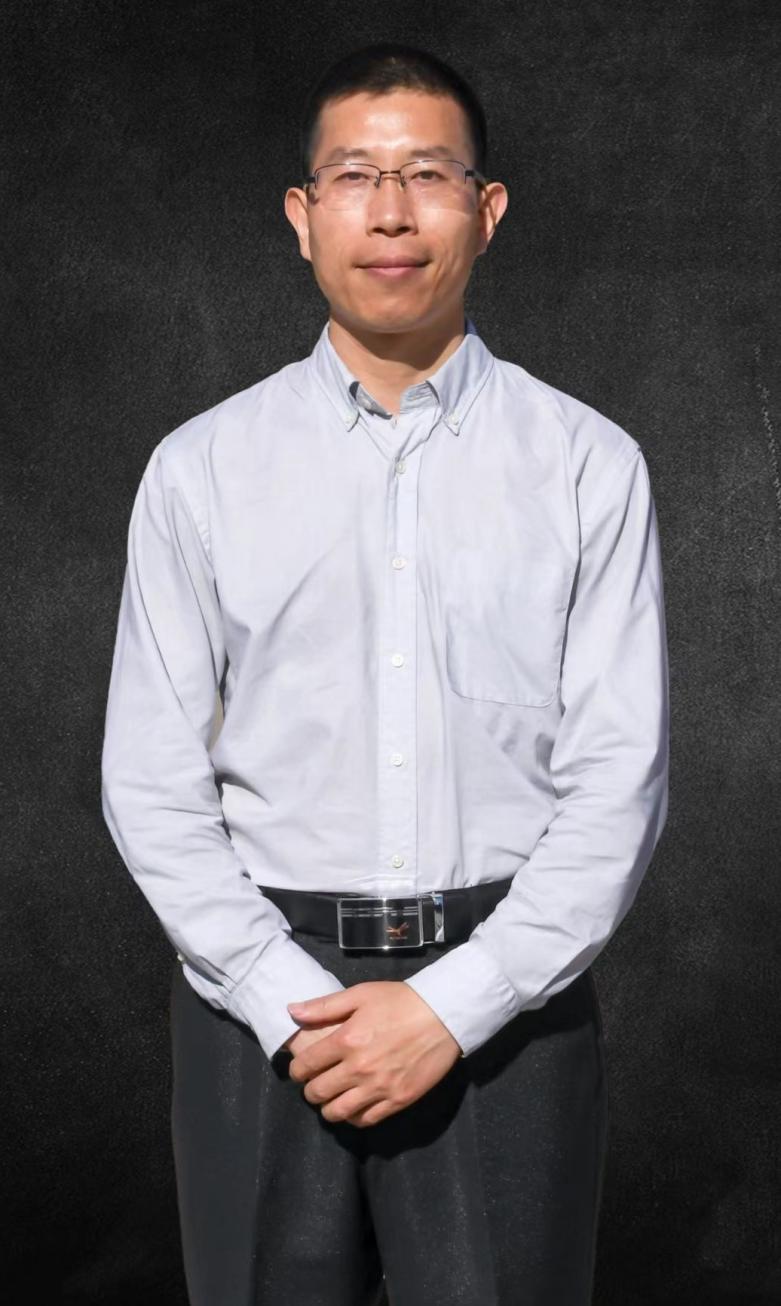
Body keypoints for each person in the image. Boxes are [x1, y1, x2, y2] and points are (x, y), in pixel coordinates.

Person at [100, 40, 669, 1306]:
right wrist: (280, 994)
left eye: (428, 174)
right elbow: (150, 783)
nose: (392, 211)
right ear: (303, 215)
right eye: (355, 175)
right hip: (259, 1012)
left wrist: (456, 1003)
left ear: (487, 208)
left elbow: (618, 782)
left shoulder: (587, 465)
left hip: (511, 1008)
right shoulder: (199, 470)